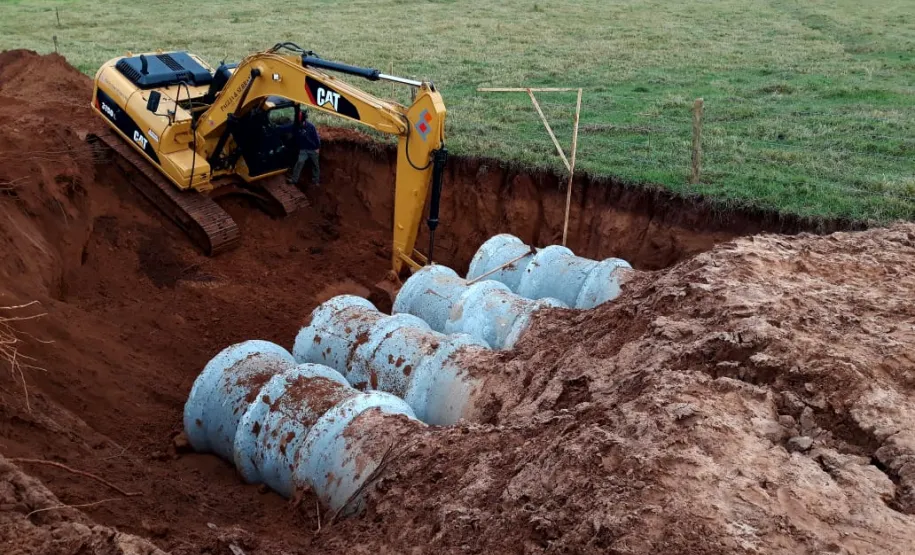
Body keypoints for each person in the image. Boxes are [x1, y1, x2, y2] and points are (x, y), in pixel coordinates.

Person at [289, 110, 320, 186]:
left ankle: (315, 180)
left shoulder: (311, 127)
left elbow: (316, 138)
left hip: (313, 149)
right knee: (299, 162)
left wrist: (317, 147)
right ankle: (294, 180)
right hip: (303, 149)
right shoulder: (297, 126)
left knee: (315, 165)